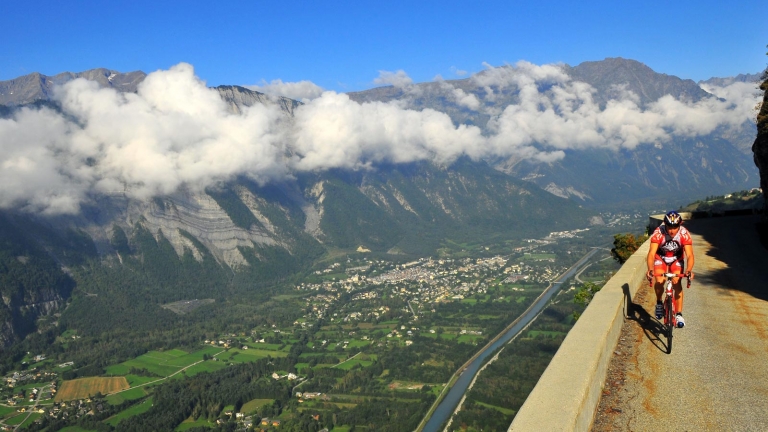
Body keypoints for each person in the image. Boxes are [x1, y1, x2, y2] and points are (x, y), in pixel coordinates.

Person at [646, 211, 695, 327]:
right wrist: (650, 269)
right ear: (665, 225)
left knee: (676, 282)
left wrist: (689, 270)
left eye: (675, 227)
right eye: (669, 227)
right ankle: (659, 303)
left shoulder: (684, 234)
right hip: (660, 258)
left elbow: (690, 255)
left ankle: (678, 314)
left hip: (676, 260)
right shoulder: (658, 233)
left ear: (680, 225)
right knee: (659, 280)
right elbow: (651, 253)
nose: (672, 230)